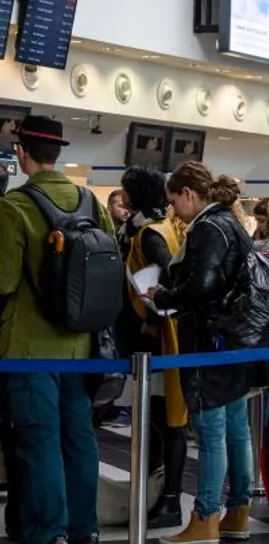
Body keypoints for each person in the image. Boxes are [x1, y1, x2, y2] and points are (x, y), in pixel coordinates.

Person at [0, 116, 111, 544]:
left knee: (38, 439)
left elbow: (4, 281)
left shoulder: (14, 207)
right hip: (82, 346)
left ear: (21, 153)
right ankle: (84, 528)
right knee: (78, 437)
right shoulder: (92, 203)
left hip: (28, 348)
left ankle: (47, 533)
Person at [153, 162, 255, 544]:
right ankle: (238, 513)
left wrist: (164, 297)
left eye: (173, 200)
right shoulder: (232, 223)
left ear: (189, 194)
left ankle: (206, 516)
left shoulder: (208, 227)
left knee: (211, 432)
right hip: (233, 342)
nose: (173, 209)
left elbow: (203, 285)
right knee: (237, 429)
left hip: (206, 342)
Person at [117, 165, 189, 530]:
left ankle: (170, 499)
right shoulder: (162, 226)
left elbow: (166, 275)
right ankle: (156, 490)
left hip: (157, 340)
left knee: (166, 420)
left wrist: (154, 319)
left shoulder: (149, 234)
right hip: (157, 338)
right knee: (158, 420)